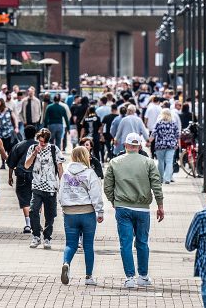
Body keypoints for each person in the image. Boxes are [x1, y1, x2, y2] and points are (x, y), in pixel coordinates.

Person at [104, 132, 165, 288]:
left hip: (122, 207)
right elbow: (156, 185)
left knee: (125, 243)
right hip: (143, 209)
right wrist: (160, 205)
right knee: (142, 242)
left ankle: (130, 278)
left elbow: (107, 186)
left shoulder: (114, 162)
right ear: (139, 146)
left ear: (125, 145)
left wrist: (113, 200)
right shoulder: (149, 162)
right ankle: (143, 276)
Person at [59, 146, 105, 287]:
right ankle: (88, 277)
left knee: (70, 244)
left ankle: (66, 263)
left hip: (70, 213)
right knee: (88, 245)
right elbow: (96, 193)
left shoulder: (66, 173)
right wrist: (100, 211)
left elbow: (61, 193)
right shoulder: (89, 173)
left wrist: (63, 206)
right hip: (87, 212)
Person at [24, 128, 64, 249]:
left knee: (50, 214)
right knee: (33, 211)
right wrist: (34, 153)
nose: (42, 144)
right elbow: (26, 165)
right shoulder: (32, 148)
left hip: (51, 187)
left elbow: (60, 167)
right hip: (36, 185)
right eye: (40, 141)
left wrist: (62, 184)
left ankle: (47, 238)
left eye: (44, 142)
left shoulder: (54, 149)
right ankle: (36, 236)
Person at [7, 125, 38, 234]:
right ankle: (37, 223)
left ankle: (28, 224)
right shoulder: (39, 146)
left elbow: (11, 163)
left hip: (22, 175)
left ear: (24, 133)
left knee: (25, 199)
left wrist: (10, 177)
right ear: (35, 134)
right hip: (37, 176)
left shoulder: (18, 146)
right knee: (37, 198)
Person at [150, 108, 180, 184]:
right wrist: (177, 144)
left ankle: (160, 178)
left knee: (160, 162)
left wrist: (149, 141)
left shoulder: (158, 123)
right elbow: (177, 135)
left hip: (160, 145)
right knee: (169, 162)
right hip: (171, 145)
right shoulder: (173, 123)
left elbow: (153, 133)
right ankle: (167, 179)